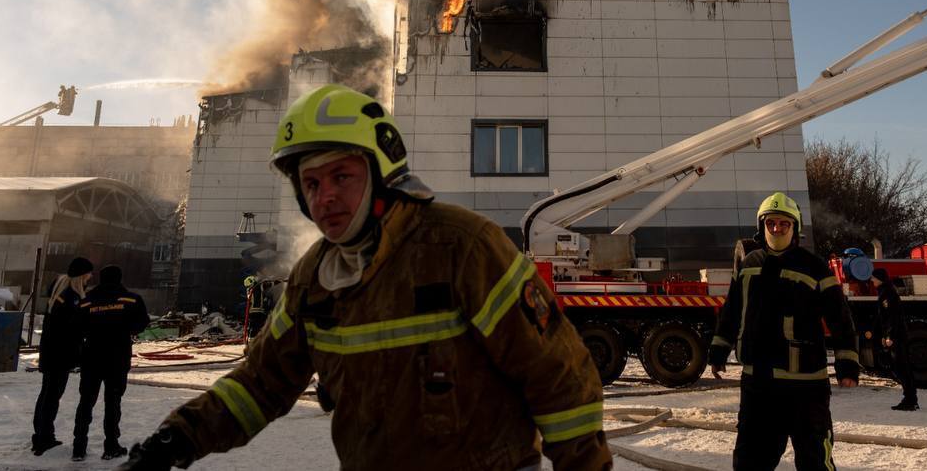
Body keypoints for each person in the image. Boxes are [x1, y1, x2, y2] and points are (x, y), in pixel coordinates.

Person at [118, 83, 610, 471]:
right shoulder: (314, 278)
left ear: (382, 173)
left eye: (341, 177)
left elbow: (558, 376)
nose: (325, 196)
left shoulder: (462, 247)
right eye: (311, 183)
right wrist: (174, 440)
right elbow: (259, 384)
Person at [709, 191, 860, 471]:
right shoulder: (748, 265)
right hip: (758, 385)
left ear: (795, 228)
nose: (777, 229)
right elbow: (732, 310)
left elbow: (840, 318)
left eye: (783, 223)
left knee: (815, 461)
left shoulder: (815, 267)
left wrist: (847, 364)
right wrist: (719, 349)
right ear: (762, 226)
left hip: (805, 387)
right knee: (749, 462)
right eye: (771, 223)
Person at [73, 264, 149, 461]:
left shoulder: (86, 301)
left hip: (91, 357)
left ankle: (78, 447)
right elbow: (142, 323)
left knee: (86, 401)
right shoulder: (131, 299)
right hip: (117, 357)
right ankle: (111, 446)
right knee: (113, 402)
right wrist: (124, 329)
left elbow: (77, 326)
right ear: (119, 278)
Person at [31, 256, 93, 456]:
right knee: (52, 396)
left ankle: (41, 434)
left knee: (47, 394)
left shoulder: (58, 293)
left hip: (51, 352)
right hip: (60, 355)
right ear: (81, 276)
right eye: (88, 274)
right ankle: (44, 437)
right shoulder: (70, 298)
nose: (90, 278)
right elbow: (72, 328)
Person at [870, 268, 918, 411]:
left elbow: (892, 318)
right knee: (901, 368)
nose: (872, 280)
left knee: (902, 368)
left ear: (880, 279)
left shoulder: (888, 294)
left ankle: (910, 400)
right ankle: (911, 399)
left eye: (874, 278)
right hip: (895, 336)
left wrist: (890, 336)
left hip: (897, 337)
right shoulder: (885, 292)